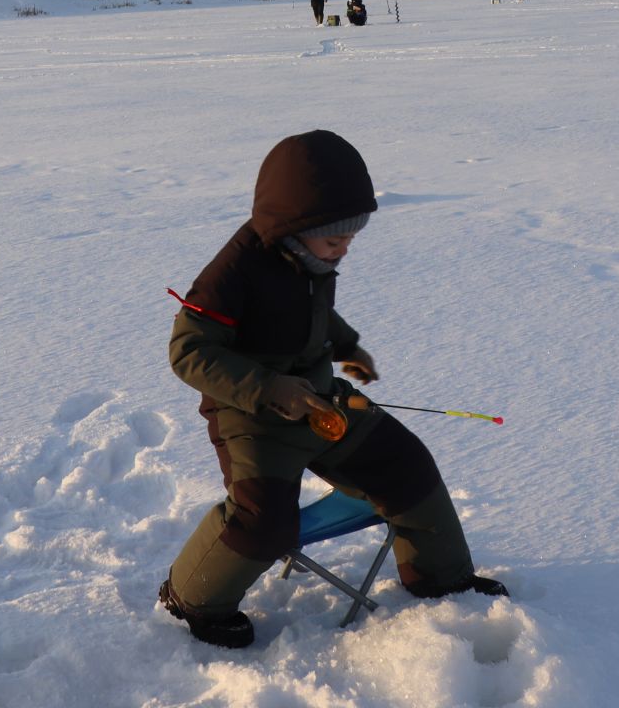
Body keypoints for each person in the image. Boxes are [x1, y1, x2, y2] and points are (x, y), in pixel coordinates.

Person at [159, 131, 504, 648]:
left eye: (350, 239)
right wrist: (273, 388)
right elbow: (188, 353)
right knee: (263, 524)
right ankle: (190, 597)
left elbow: (308, 310)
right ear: (294, 228)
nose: (344, 251)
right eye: (335, 240)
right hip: (252, 416)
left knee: (406, 467)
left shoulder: (308, 258)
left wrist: (346, 344)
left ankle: (440, 576)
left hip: (321, 401)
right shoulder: (231, 274)